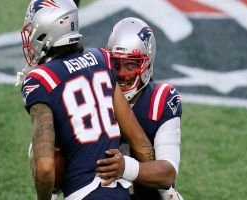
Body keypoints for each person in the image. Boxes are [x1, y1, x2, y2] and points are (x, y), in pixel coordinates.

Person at [19, 1, 154, 200]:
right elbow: (142, 146)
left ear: (46, 30)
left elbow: (45, 167)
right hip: (118, 192)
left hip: (83, 193)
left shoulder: (41, 79)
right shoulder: (101, 59)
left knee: (35, 149)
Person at [96, 17, 184, 200]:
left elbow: (167, 172)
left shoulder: (161, 99)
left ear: (146, 63)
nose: (121, 73)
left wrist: (125, 167)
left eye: (131, 64)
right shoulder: (96, 94)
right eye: (116, 64)